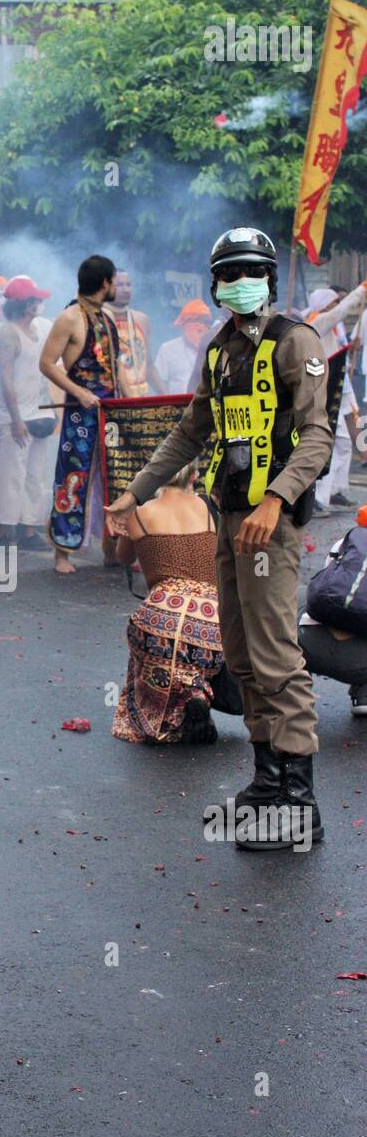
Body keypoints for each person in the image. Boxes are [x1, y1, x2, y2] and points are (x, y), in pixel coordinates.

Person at [106, 227, 333, 850]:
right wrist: (135, 491)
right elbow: (188, 433)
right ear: (215, 284)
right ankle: (267, 782)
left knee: (276, 656)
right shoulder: (221, 349)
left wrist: (277, 498)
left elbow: (317, 436)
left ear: (269, 276)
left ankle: (298, 800)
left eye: (250, 270)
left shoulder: (296, 343)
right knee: (239, 652)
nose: (238, 282)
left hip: (270, 520)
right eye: (228, 273)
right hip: (230, 516)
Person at [113, 460, 226, 744]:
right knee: (195, 652)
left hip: (160, 614)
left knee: (158, 647)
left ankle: (167, 717)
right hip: (211, 616)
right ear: (196, 475)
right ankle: (196, 693)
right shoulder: (210, 508)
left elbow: (123, 558)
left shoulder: (139, 514)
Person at [40, 254, 124, 574]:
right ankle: (63, 551)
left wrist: (131, 402)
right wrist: (81, 394)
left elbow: (116, 369)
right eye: (114, 280)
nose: (115, 285)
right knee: (73, 478)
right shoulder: (69, 318)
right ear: (105, 282)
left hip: (111, 413)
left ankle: (112, 547)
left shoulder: (108, 317)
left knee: (114, 479)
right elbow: (46, 364)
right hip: (81, 415)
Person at [0, 276, 55, 550]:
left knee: (35, 475)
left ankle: (28, 529)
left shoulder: (37, 330)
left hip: (38, 413)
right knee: (10, 476)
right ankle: (5, 531)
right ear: (26, 305)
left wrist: (50, 406)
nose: (39, 304)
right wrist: (15, 419)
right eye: (35, 300)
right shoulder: (8, 332)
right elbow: (5, 379)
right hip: (14, 417)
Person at [302, 284, 367, 513]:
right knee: (325, 441)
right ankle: (317, 496)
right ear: (323, 306)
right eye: (332, 303)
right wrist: (360, 291)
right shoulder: (317, 322)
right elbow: (340, 313)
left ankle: (336, 489)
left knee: (343, 440)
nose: (336, 307)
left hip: (340, 381)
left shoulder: (336, 326)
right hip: (322, 385)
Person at [299, 528, 367, 717]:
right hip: (360, 664)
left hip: (310, 646)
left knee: (298, 597)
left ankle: (297, 688)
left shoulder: (347, 541)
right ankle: (364, 696)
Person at [105, 269, 157, 397]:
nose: (126, 290)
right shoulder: (99, 319)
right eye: (120, 285)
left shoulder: (142, 320)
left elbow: (148, 365)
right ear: (107, 287)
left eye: (128, 284)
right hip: (110, 399)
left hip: (140, 398)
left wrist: (169, 397)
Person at [154, 299, 213, 396]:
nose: (201, 326)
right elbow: (160, 380)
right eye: (196, 320)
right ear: (184, 323)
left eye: (206, 322)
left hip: (205, 404)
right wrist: (168, 401)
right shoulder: (168, 349)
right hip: (177, 406)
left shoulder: (212, 349)